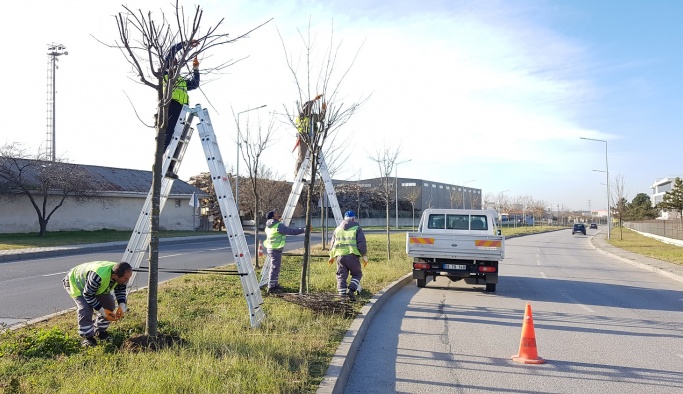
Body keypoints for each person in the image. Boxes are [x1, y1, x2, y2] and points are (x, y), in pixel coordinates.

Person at [62, 261, 132, 347]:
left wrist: (122, 306)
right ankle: (87, 337)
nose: (127, 281)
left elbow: (120, 290)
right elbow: (88, 295)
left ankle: (100, 331)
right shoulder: (98, 277)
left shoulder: (119, 271)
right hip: (75, 283)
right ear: (115, 276)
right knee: (86, 308)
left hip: (93, 286)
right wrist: (103, 311)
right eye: (125, 279)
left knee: (109, 305)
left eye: (128, 278)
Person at [162, 40, 201, 179]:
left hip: (182, 110)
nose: (175, 62)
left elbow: (195, 83)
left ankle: (170, 168)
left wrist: (195, 68)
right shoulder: (165, 75)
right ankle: (160, 165)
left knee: (178, 139)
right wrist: (186, 43)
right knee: (167, 136)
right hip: (170, 106)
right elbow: (172, 50)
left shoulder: (181, 80)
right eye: (172, 61)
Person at [263, 209, 306, 294]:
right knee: (275, 268)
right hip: (275, 249)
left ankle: (274, 284)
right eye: (276, 214)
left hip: (271, 248)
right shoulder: (279, 225)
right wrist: (304, 230)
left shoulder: (269, 225)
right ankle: (271, 287)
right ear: (272, 216)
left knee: (275, 267)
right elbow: (291, 231)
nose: (277, 214)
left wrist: (278, 222)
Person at [329, 210, 368, 301]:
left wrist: (331, 256)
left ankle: (342, 297)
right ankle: (351, 290)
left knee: (341, 276)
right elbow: (361, 243)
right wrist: (364, 256)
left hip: (340, 257)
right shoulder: (357, 228)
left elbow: (332, 244)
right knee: (357, 274)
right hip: (352, 256)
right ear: (353, 218)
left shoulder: (337, 229)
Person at [294, 94, 324, 178]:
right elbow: (307, 109)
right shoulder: (302, 116)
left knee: (309, 159)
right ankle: (297, 175)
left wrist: (323, 110)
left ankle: (303, 175)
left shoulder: (312, 117)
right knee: (302, 157)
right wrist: (314, 100)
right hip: (303, 138)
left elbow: (320, 117)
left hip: (311, 139)